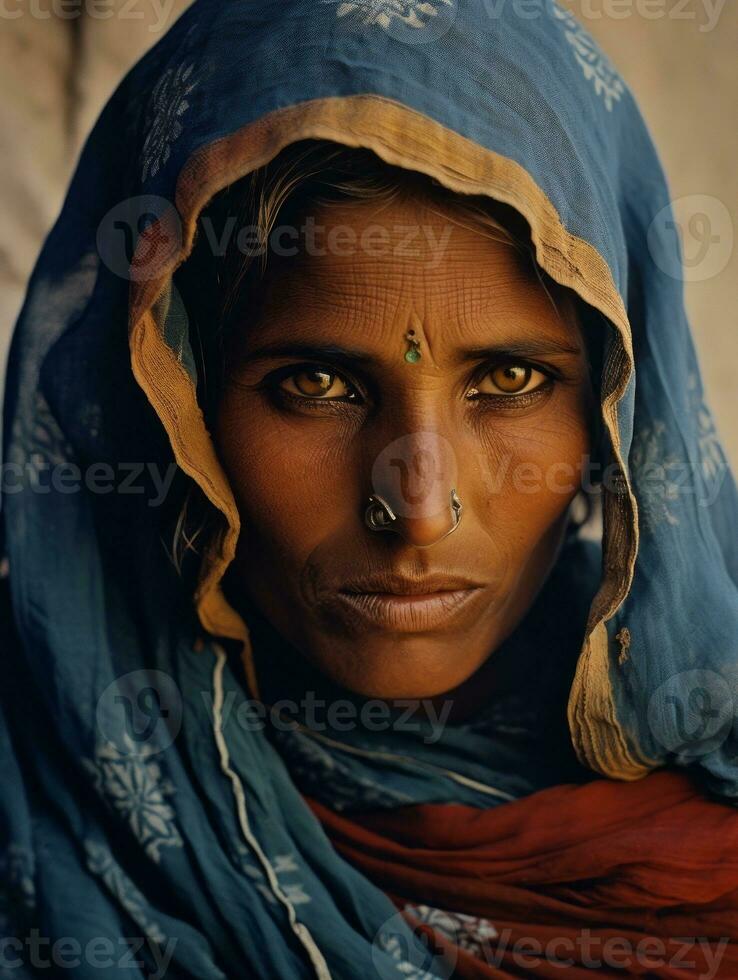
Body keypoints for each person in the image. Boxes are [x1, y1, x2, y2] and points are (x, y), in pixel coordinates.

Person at [1, 1, 737, 977]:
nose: (419, 506)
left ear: (618, 406)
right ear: (173, 399)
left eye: (509, 380)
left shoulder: (704, 832)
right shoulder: (33, 784)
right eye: (317, 384)